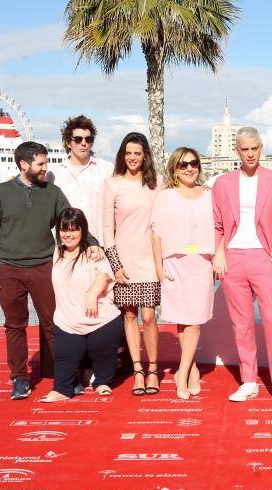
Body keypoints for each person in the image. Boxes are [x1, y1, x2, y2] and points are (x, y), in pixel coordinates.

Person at [0, 141, 99, 400]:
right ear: (24, 165)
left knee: (54, 323)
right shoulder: (1, 192)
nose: (46, 168)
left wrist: (92, 243)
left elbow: (72, 221)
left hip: (45, 267)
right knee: (15, 326)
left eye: (45, 162)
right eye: (41, 164)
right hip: (8, 269)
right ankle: (20, 379)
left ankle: (64, 376)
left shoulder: (53, 192)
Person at [212, 126, 272, 407]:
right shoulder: (223, 183)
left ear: (261, 148)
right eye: (244, 149)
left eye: (254, 148)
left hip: (264, 258)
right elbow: (218, 224)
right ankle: (248, 381)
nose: (249, 154)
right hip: (233, 258)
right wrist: (218, 253)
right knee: (241, 324)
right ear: (237, 151)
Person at [40, 208, 123, 402]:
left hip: (100, 318)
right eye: (63, 229)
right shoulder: (56, 253)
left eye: (73, 229)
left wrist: (93, 294)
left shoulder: (93, 252)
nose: (68, 234)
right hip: (67, 321)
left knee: (103, 351)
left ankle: (102, 381)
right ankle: (62, 389)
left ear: (82, 230)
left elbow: (104, 275)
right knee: (64, 358)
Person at [152, 147, 215, 399]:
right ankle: (191, 370)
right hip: (174, 262)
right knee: (182, 318)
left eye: (194, 163)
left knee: (195, 320)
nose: (190, 168)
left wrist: (219, 255)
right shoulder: (165, 196)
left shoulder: (210, 195)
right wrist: (158, 265)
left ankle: (184, 372)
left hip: (201, 262)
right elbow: (155, 232)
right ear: (174, 168)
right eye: (183, 164)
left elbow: (221, 228)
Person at [103, 132, 162, 395]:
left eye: (137, 153)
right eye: (128, 153)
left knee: (149, 316)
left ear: (145, 155)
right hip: (123, 261)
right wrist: (115, 265)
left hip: (149, 259)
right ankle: (137, 370)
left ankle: (153, 370)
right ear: (122, 155)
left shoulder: (157, 184)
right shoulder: (112, 184)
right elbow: (107, 228)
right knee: (129, 314)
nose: (132, 158)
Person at [47, 115, 114, 246]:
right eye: (78, 139)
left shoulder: (106, 170)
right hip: (66, 247)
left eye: (88, 139)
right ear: (68, 143)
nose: (84, 143)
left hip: (100, 245)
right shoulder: (53, 173)